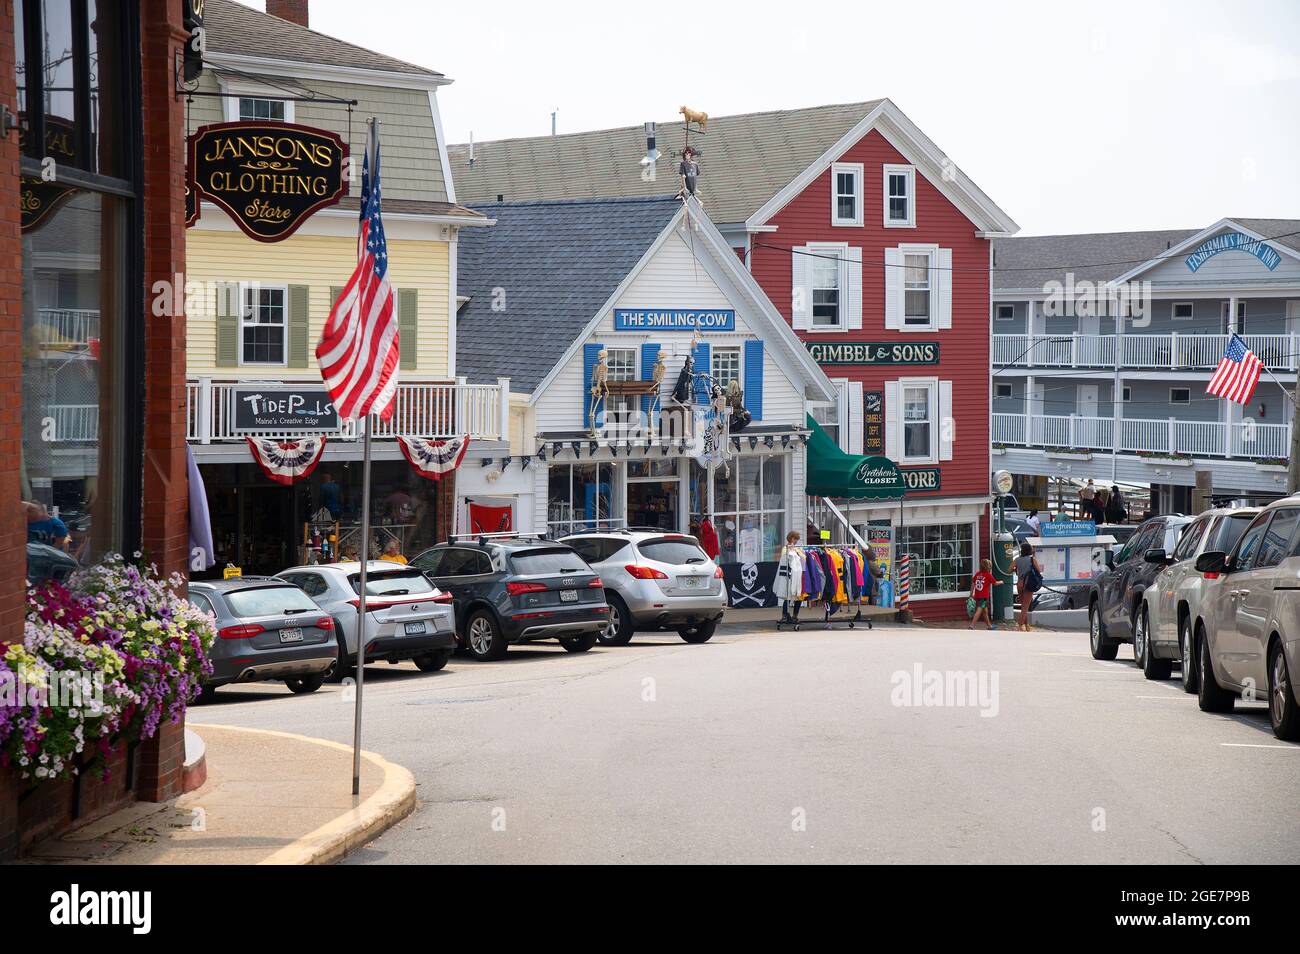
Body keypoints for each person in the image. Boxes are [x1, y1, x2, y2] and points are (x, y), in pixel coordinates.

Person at [775, 531, 804, 624]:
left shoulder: (796, 549)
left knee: (798, 597)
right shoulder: (785, 548)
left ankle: (795, 615)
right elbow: (785, 560)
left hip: (796, 575)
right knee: (787, 597)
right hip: (788, 576)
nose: (795, 541)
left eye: (796, 539)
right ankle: (785, 615)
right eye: (794, 539)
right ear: (790, 538)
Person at [1014, 542, 1044, 632]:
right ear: (1029, 550)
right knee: (1025, 607)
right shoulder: (1032, 560)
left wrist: (1016, 569)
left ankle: (1027, 626)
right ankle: (1020, 625)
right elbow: (1039, 570)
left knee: (1023, 605)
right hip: (1028, 583)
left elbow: (1009, 569)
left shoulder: (1017, 559)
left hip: (1019, 584)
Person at [969, 558, 1001, 631]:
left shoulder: (977, 574)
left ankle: (989, 626)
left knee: (985, 611)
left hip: (977, 595)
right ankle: (972, 625)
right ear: (988, 567)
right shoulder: (988, 575)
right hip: (983, 597)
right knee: (979, 610)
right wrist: (1001, 582)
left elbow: (973, 584)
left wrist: (971, 594)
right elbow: (995, 583)